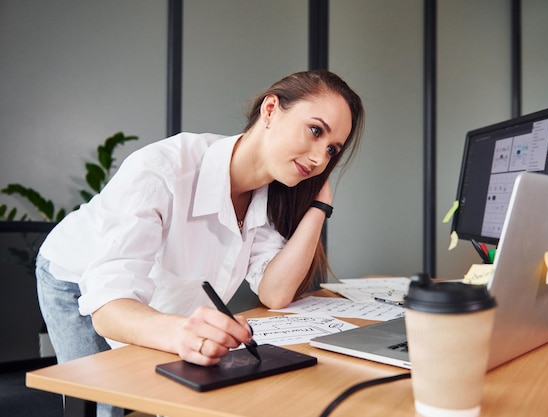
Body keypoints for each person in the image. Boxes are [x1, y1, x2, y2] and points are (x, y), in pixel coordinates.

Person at [35, 69, 364, 417]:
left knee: (157, 397)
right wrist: (180, 333)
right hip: (76, 278)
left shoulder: (270, 194)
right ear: (270, 110)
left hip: (156, 299)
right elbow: (109, 304)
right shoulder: (163, 169)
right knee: (109, 403)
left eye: (331, 150)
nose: (318, 159)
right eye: (315, 131)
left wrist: (318, 206)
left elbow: (275, 292)